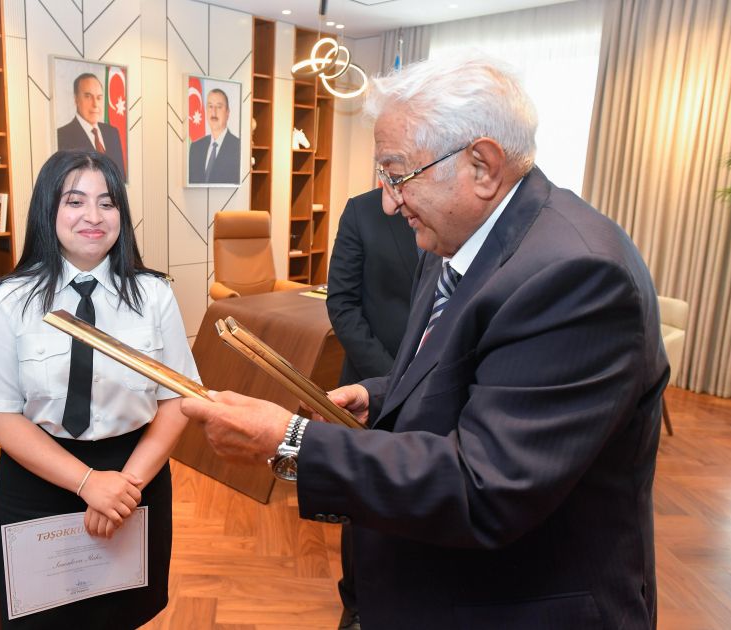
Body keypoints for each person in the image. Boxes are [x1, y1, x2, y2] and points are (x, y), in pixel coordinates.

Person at [179, 55, 668, 629]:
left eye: (397, 174)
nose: (388, 202)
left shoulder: (576, 274)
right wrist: (381, 394)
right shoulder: (454, 240)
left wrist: (292, 441)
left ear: (482, 166)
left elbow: (486, 487)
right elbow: (468, 369)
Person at [0, 150, 198, 629]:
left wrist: (124, 488)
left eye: (107, 203)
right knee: (42, 619)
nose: (93, 216)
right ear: (48, 210)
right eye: (75, 201)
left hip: (135, 473)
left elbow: (177, 400)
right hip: (39, 478)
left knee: (121, 615)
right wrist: (89, 483)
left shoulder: (154, 295)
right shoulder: (8, 300)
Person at [325, 187, 418, 630]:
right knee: (363, 500)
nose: (390, 188)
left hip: (444, 385)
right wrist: (394, 380)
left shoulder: (460, 216)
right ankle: (357, 602)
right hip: (371, 381)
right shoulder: (362, 212)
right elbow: (342, 304)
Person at [57, 73, 127, 182]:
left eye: (99, 98)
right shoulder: (62, 135)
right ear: (76, 99)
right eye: (88, 96)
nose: (95, 104)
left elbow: (121, 179)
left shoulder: (112, 133)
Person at [188, 88, 241, 185]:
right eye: (210, 106)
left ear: (227, 112)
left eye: (219, 107)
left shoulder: (238, 147)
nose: (214, 113)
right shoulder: (195, 147)